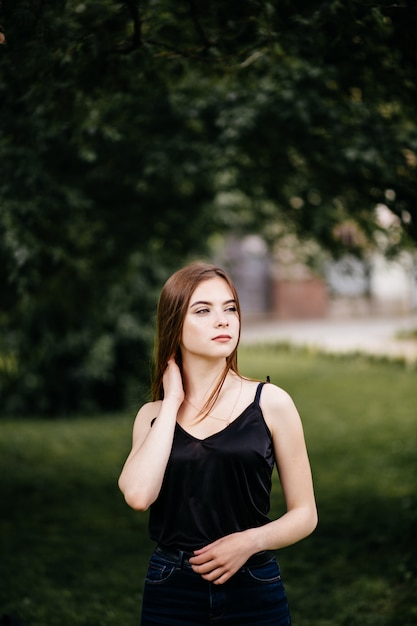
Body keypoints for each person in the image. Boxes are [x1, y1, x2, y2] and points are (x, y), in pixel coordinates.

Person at [118, 261, 317, 625]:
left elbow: (305, 514)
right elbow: (138, 495)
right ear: (174, 325)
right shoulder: (152, 415)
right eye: (203, 310)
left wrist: (248, 542)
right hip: (171, 587)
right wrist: (173, 401)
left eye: (230, 309)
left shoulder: (271, 402)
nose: (223, 320)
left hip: (254, 585)